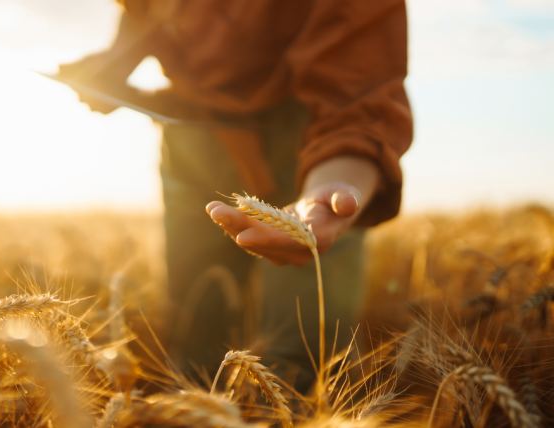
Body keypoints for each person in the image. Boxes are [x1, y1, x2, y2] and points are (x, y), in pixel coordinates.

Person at [58, 0, 412, 391]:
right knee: (196, 329)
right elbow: (149, 11)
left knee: (304, 354)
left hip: (312, 144)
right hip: (192, 136)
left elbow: (359, 86)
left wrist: (331, 188)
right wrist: (114, 62)